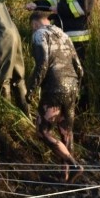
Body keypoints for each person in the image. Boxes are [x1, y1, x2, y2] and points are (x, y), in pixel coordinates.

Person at [25, 0, 95, 107]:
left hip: (78, 36)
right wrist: (37, 5)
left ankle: (83, 106)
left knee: (79, 71)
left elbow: (82, 8)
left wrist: (59, 9)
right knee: (64, 73)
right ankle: (67, 105)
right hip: (63, 35)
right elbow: (52, 0)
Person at [25, 10, 84, 182]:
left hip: (54, 87)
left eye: (31, 27)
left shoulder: (39, 35)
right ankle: (65, 175)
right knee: (66, 131)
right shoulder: (64, 35)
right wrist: (76, 89)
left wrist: (31, 90)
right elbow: (79, 68)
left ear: (35, 23)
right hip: (72, 86)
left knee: (42, 131)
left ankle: (73, 165)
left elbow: (42, 65)